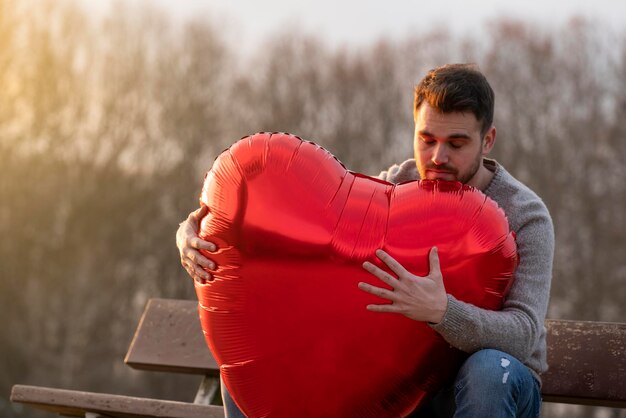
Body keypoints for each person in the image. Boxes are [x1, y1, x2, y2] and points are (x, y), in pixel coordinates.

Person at [176, 63, 554, 418]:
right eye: (426, 139)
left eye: (456, 144)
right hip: (396, 383)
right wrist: (203, 230)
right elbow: (313, 248)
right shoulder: (394, 189)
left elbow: (523, 335)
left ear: (487, 140)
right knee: (255, 353)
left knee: (489, 369)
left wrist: (442, 312)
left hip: (487, 385)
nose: (438, 157)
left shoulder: (525, 215)